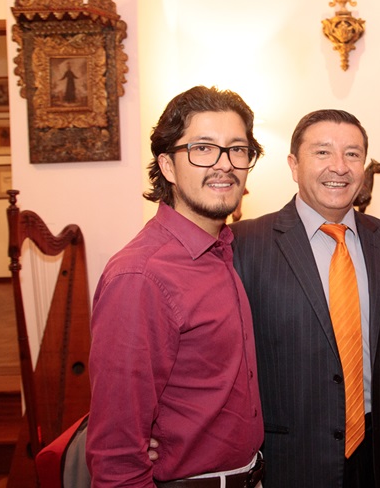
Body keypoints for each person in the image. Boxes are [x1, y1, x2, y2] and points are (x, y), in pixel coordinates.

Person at [231, 109, 380, 488]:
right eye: (322, 152)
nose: (340, 166)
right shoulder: (245, 244)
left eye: (352, 154)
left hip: (375, 457)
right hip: (287, 460)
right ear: (293, 165)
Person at [86, 86, 265, 486]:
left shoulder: (224, 250)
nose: (225, 165)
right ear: (167, 166)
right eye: (203, 148)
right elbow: (115, 455)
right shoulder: (141, 276)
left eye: (238, 150)